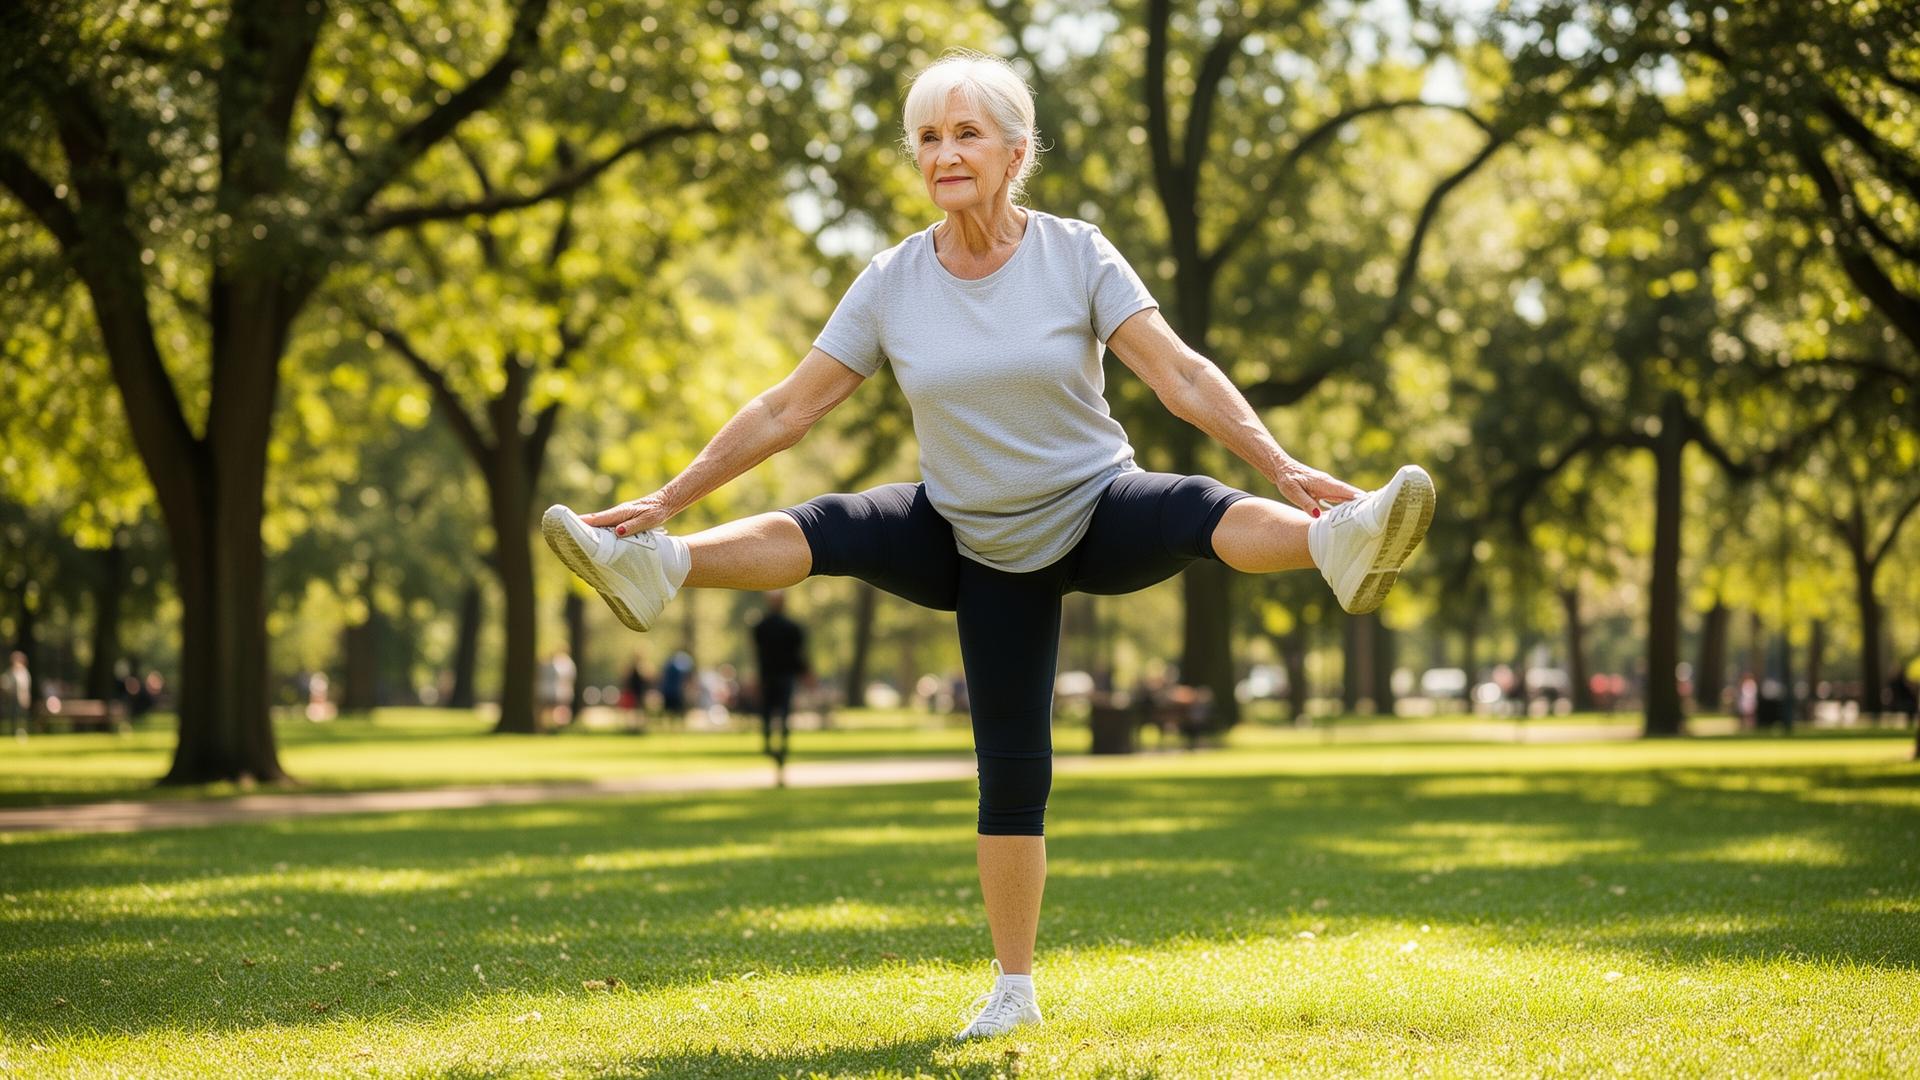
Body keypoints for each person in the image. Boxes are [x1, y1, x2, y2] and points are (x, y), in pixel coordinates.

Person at [542, 50, 1434, 1041]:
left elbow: (1180, 376)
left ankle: (1337, 541)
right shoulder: (893, 280)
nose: (944, 153)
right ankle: (658, 563)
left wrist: (1284, 465)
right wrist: (668, 497)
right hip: (965, 534)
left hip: (1091, 505)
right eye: (928, 137)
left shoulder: (1076, 254)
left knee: (1192, 505)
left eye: (966, 133)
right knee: (878, 581)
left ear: (1016, 150)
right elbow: (789, 409)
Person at [751, 590, 809, 769]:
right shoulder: (791, 627)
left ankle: (771, 744)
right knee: (782, 711)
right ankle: (779, 744)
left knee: (769, 712)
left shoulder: (762, 627)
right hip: (782, 676)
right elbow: (798, 655)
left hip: (772, 676)